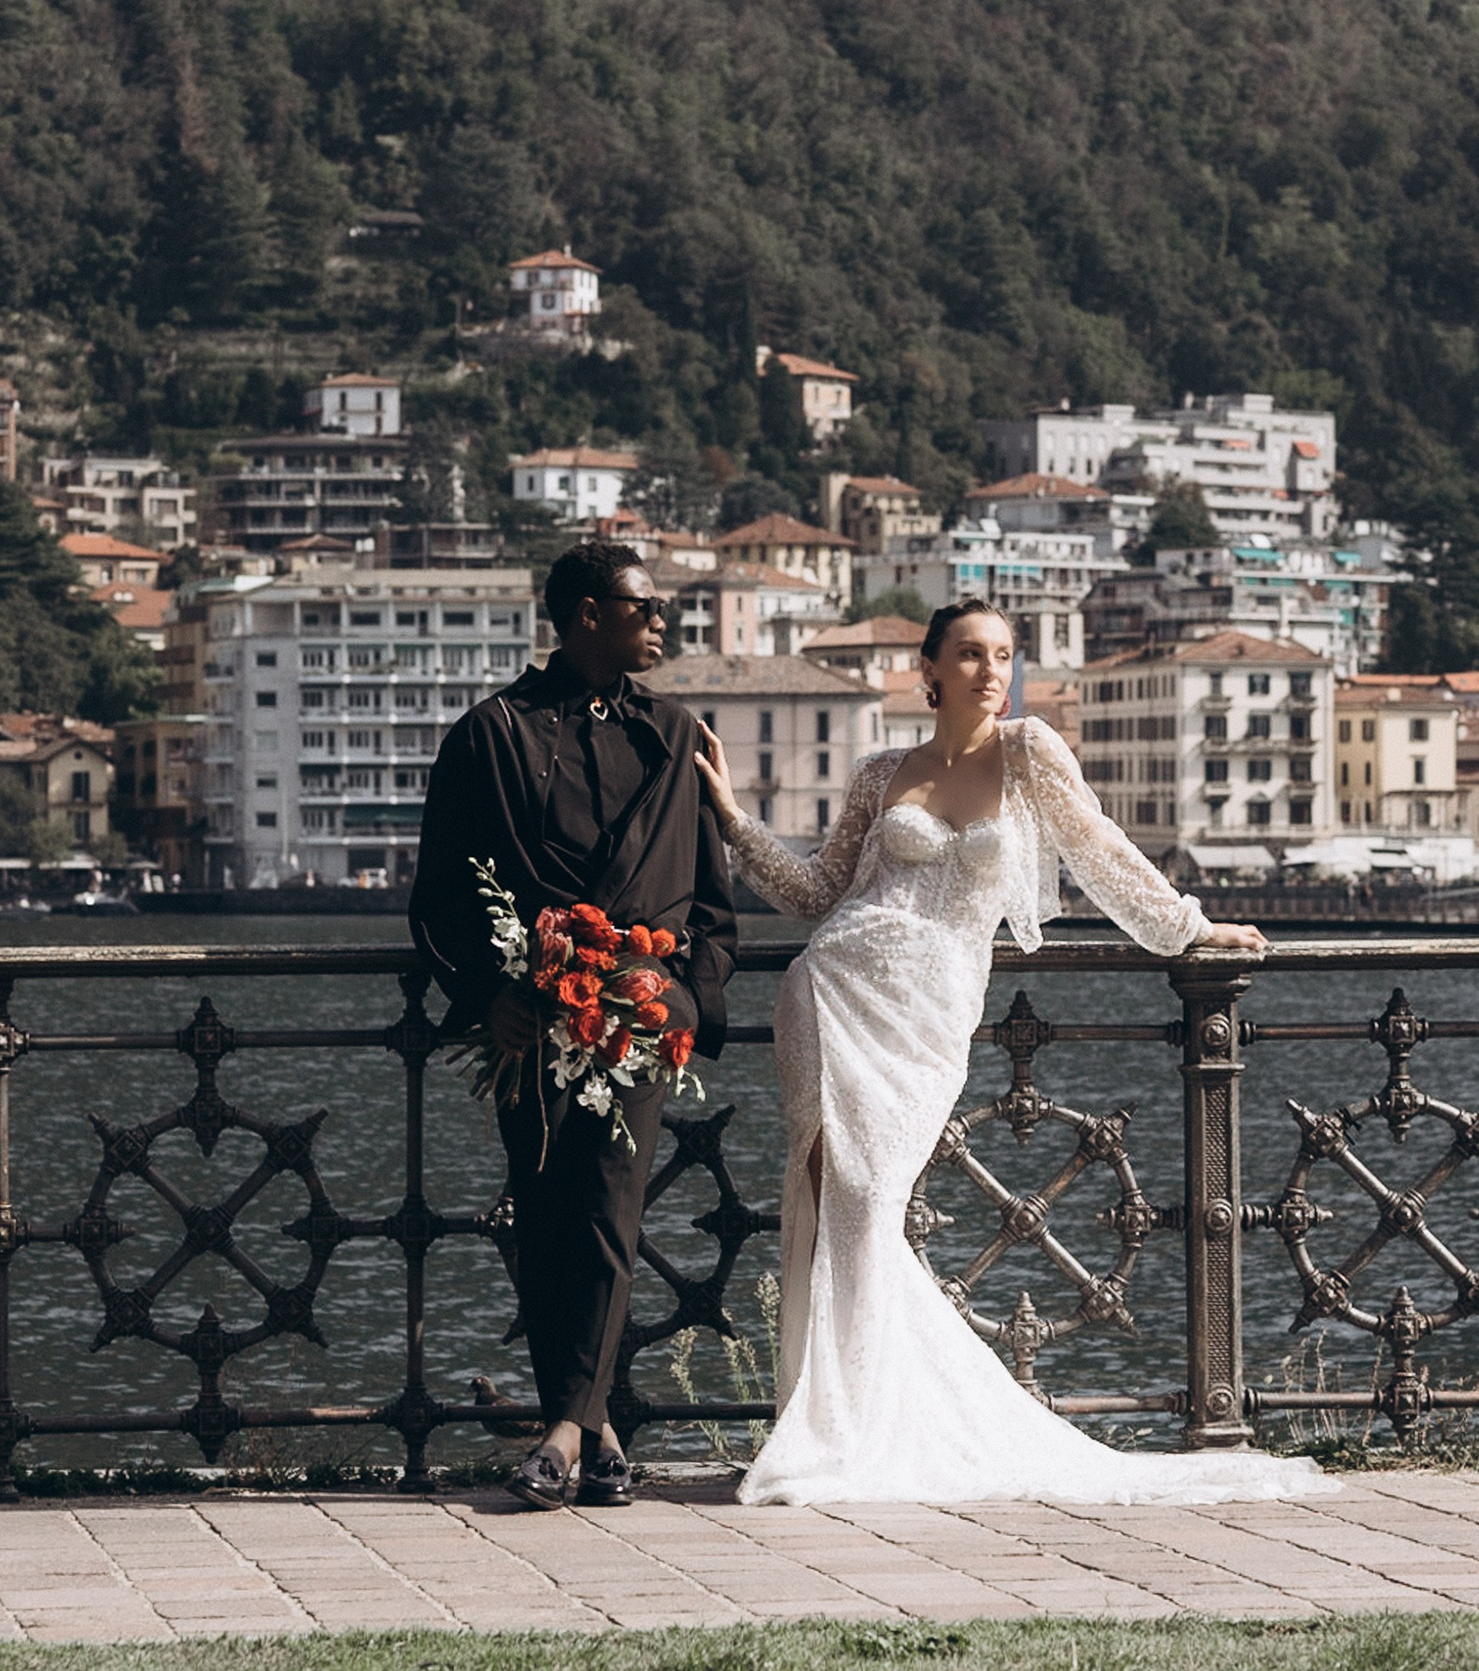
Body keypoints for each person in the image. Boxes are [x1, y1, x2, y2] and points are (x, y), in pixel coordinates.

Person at [693, 598, 1314, 1508]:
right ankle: (835, 1427)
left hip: (928, 1013)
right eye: (971, 654)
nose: (993, 671)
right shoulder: (878, 772)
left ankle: (869, 1426)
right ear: (930, 669)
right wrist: (736, 820)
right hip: (830, 992)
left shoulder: (1029, 753)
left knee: (871, 1204)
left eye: (1005, 655)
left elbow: (1100, 852)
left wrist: (1191, 927)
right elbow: (819, 891)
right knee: (835, 1206)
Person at [410, 538, 737, 1511]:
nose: (663, 624)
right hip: (526, 1021)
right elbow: (437, 899)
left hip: (638, 1023)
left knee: (606, 1211)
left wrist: (680, 999)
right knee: (546, 1212)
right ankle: (592, 1435)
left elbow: (713, 909)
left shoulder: (677, 736)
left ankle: (561, 1430)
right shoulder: (488, 735)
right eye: (646, 609)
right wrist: (488, 995)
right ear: (586, 613)